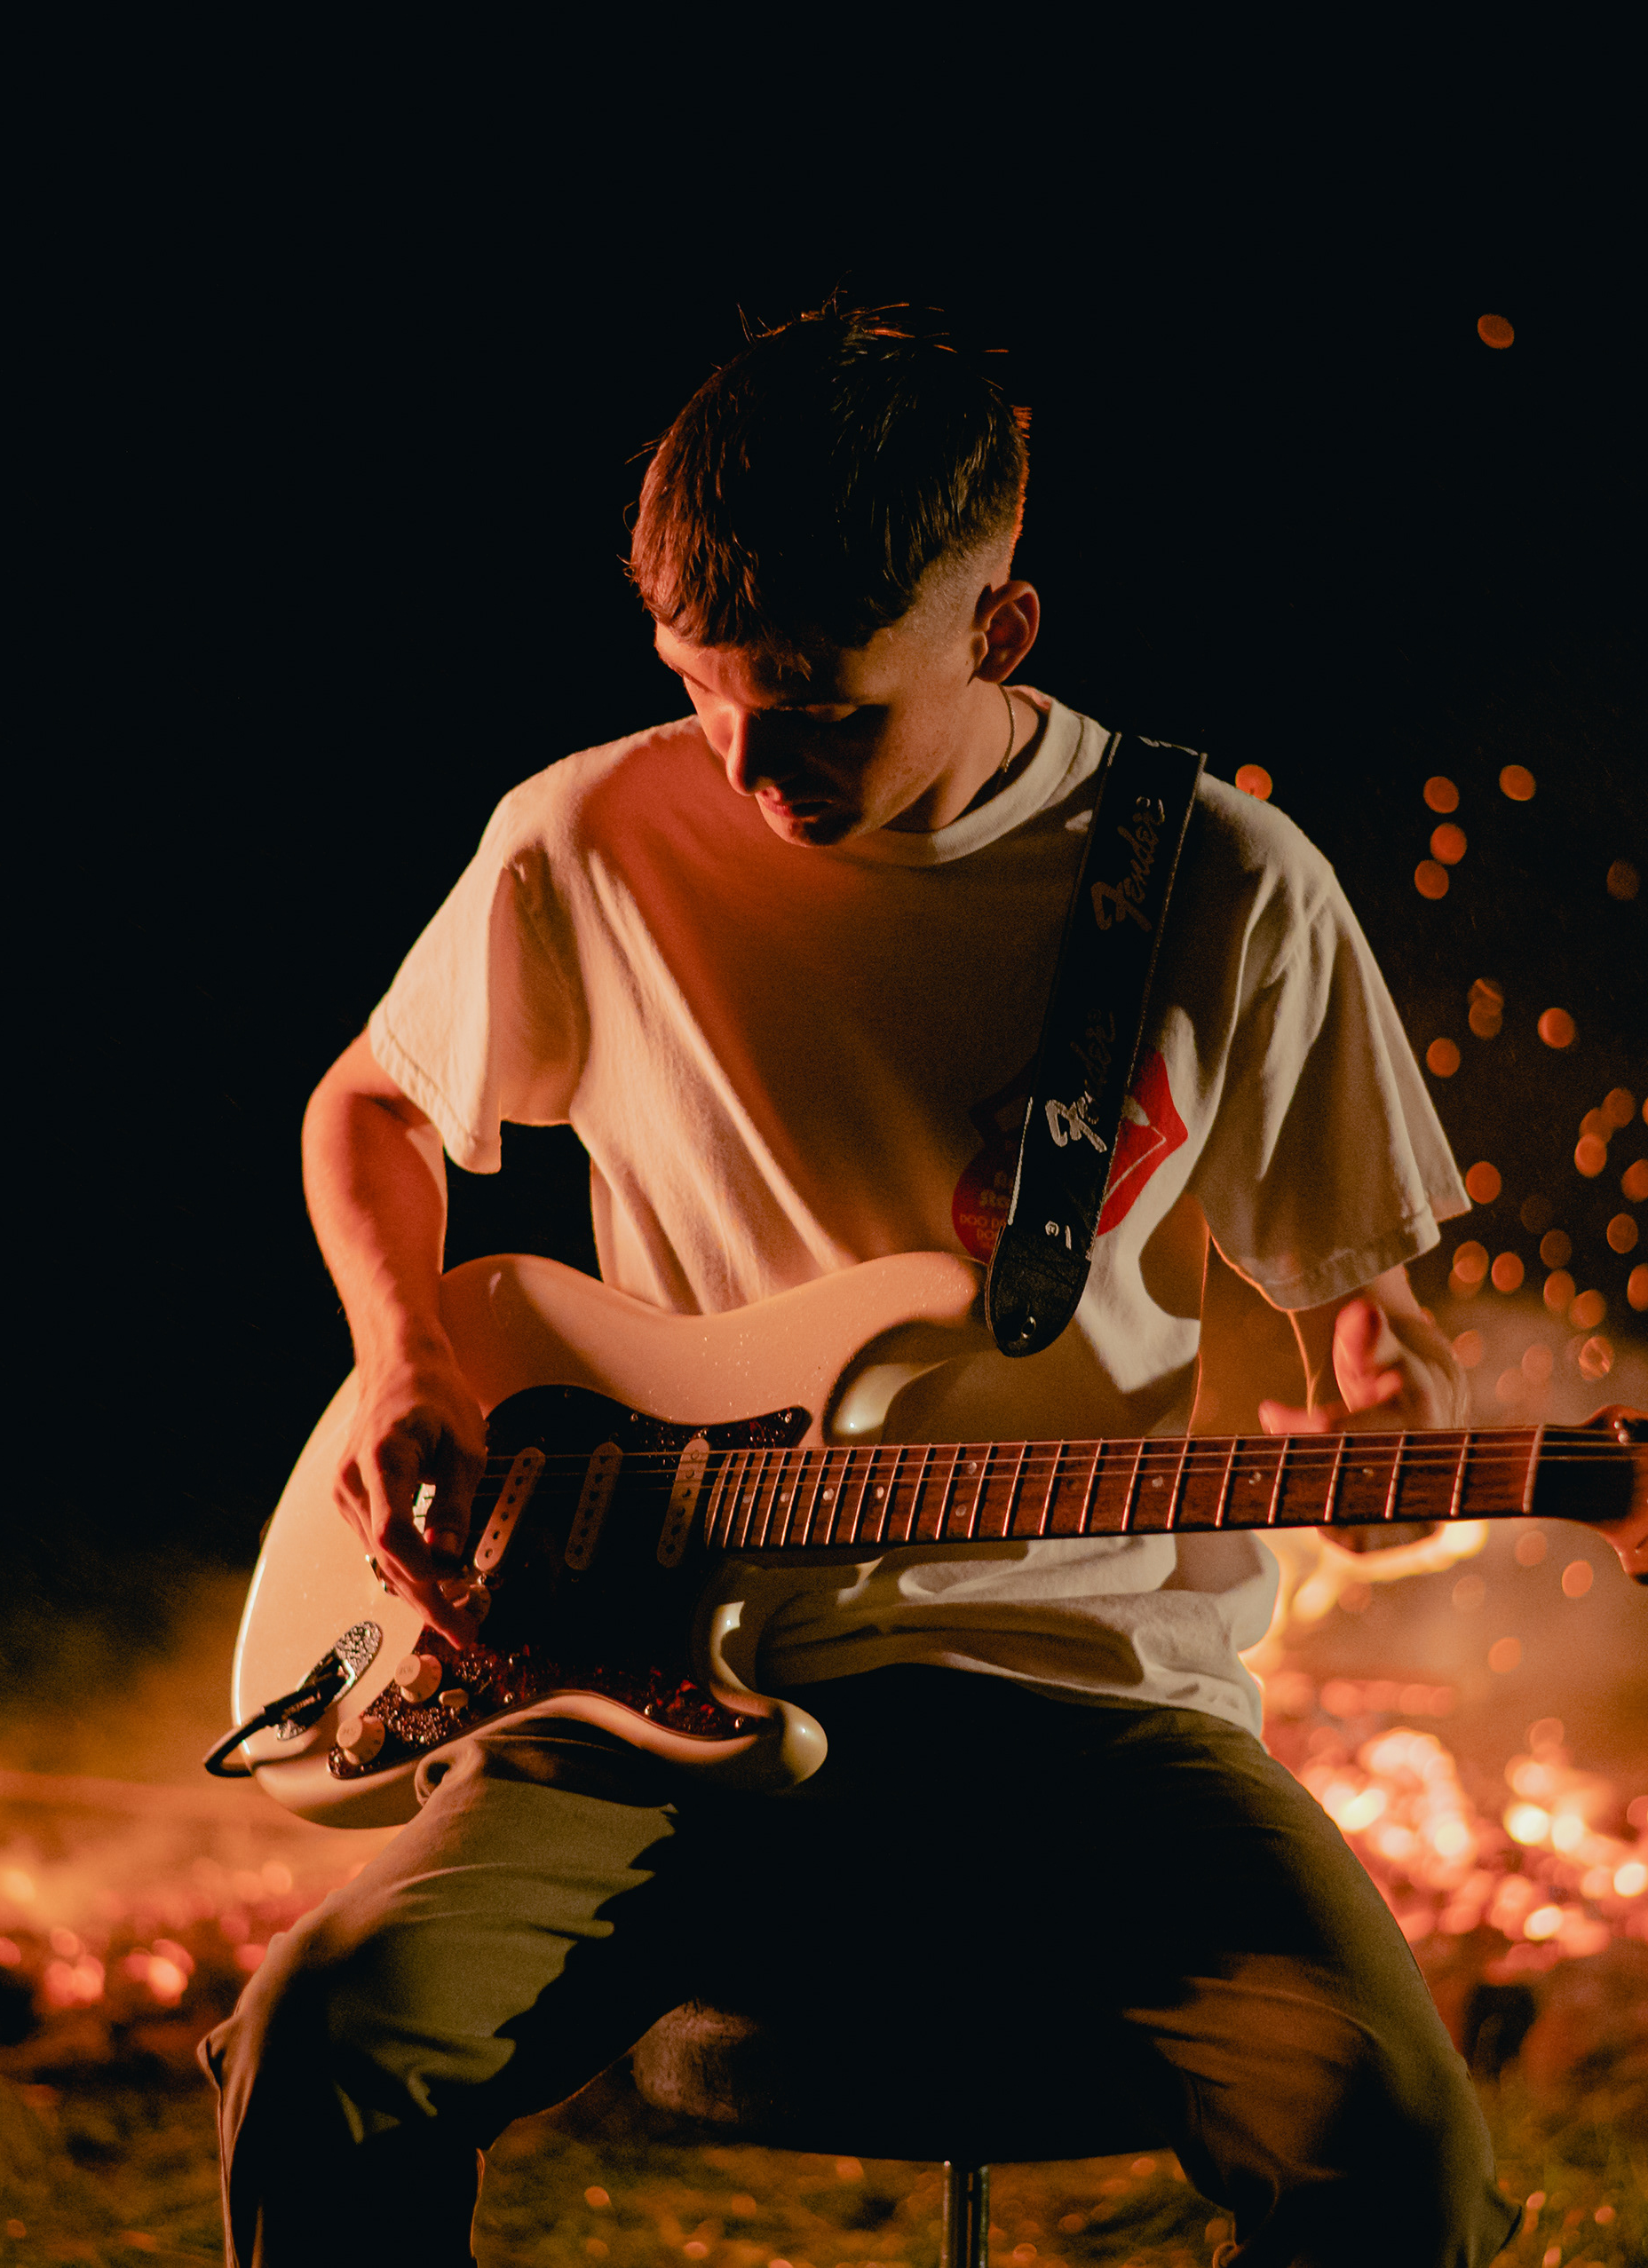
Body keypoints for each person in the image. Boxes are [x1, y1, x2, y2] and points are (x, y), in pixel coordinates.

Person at [202, 306, 1508, 2266]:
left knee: (1388, 2134)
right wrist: (408, 1363)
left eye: (821, 706)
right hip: (635, 1670)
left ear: (1002, 628)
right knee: (322, 2041)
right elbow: (369, 1108)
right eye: (702, 690)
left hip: (1084, 1692)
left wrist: (1390, 1390)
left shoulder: (1227, 882)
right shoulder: (585, 837)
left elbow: (1371, 1316)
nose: (750, 764)